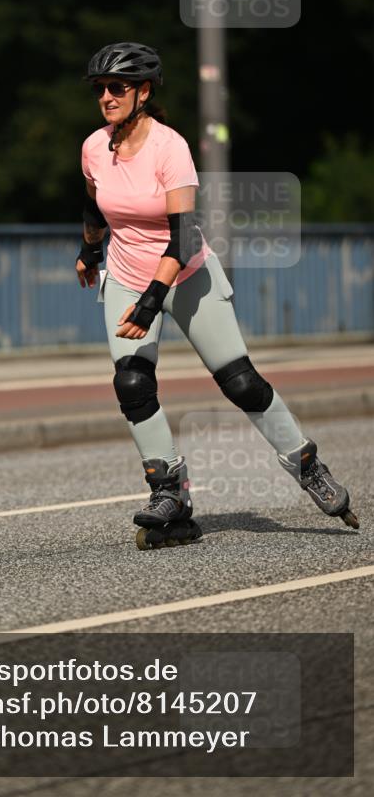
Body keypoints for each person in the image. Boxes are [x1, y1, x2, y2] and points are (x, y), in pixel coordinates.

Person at [76, 41, 358, 550]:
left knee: (240, 383)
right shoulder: (96, 146)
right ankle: (170, 491)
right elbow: (98, 207)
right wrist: (88, 252)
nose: (106, 97)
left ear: (143, 92)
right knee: (132, 382)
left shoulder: (170, 148)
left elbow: (182, 239)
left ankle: (306, 464)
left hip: (185, 274)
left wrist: (150, 301)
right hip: (124, 272)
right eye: (100, 89)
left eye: (117, 88)